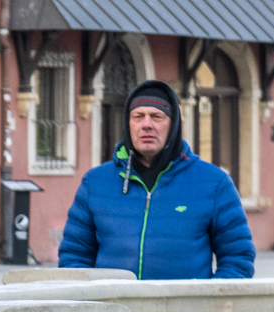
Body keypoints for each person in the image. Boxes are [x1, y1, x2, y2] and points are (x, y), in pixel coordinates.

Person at [58, 81, 254, 279]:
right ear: (128, 123)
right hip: (113, 308)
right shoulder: (95, 183)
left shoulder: (214, 183)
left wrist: (209, 302)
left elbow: (237, 257)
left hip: (185, 309)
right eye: (138, 116)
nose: (146, 125)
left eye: (157, 116)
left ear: (174, 124)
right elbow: (74, 256)